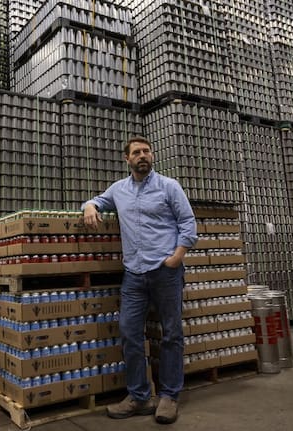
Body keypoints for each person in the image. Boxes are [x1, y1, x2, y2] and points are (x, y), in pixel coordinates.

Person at [82, 136, 197, 424]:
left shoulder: (169, 186)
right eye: (136, 152)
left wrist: (176, 257)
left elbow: (188, 223)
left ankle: (169, 396)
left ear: (152, 156)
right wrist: (89, 206)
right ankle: (139, 396)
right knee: (129, 333)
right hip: (134, 274)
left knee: (171, 334)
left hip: (165, 271)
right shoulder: (118, 190)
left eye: (146, 151)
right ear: (127, 159)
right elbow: (98, 200)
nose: (142, 155)